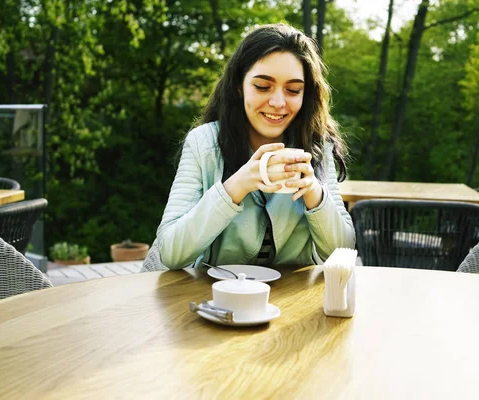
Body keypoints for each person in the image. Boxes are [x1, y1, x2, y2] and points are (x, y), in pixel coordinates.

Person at [144, 23, 355, 271]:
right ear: (238, 86)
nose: (278, 102)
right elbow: (171, 253)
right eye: (262, 86)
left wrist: (314, 192)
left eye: (293, 90)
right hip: (209, 297)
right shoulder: (203, 143)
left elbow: (343, 252)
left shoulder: (316, 147)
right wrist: (237, 185)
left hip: (286, 302)